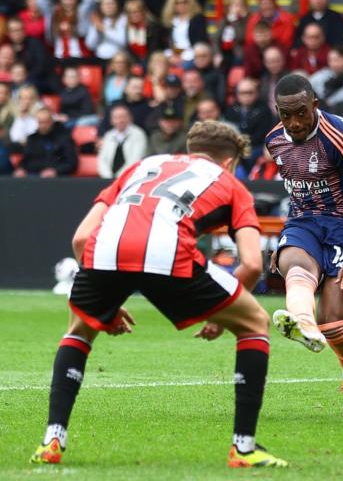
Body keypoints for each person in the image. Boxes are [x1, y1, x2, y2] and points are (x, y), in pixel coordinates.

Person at [30, 120, 288, 468]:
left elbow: (81, 238)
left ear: (188, 151)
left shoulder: (143, 166)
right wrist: (223, 314)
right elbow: (253, 264)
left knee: (78, 330)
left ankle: (52, 440)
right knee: (255, 322)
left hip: (105, 250)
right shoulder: (231, 183)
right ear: (229, 162)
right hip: (169, 253)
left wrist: (108, 301)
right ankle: (243, 448)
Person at [265, 74, 343, 418]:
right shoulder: (274, 140)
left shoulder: (341, 138)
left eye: (301, 113)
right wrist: (288, 239)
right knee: (294, 264)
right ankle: (302, 323)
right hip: (303, 222)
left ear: (314, 105)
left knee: (334, 322)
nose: (295, 122)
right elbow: (296, 190)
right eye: (286, 115)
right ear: (278, 112)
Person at [14, 108, 77, 177]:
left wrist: (55, 171)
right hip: (32, 176)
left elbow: (71, 163)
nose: (43, 126)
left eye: (46, 122)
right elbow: (25, 160)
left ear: (52, 121)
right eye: (40, 122)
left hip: (56, 179)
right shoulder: (32, 139)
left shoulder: (64, 138)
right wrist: (21, 169)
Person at [97, 104, 148, 178]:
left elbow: (135, 160)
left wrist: (119, 178)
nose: (120, 120)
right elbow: (102, 159)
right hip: (108, 179)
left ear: (130, 118)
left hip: (131, 178)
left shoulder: (138, 134)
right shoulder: (108, 135)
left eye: (123, 117)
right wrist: (108, 177)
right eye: (116, 117)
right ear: (111, 120)